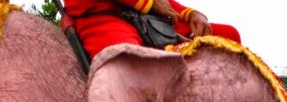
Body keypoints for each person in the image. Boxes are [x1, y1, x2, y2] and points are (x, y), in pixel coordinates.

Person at [64, 0, 241, 58]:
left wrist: (193, 14)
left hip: (147, 18)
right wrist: (150, 4)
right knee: (130, 60)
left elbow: (163, 3)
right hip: (105, 15)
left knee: (229, 36)